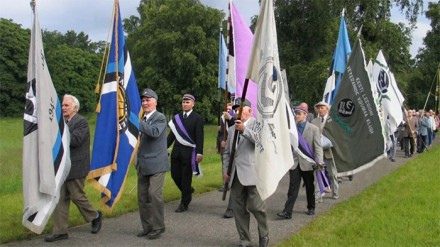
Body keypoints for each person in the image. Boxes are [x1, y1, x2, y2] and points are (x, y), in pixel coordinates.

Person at [45, 94, 102, 242]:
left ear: (75, 108)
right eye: (62, 105)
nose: (63, 108)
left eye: (66, 105)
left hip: (76, 166)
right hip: (61, 167)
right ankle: (60, 231)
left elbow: (75, 141)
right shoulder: (61, 122)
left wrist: (60, 130)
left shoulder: (80, 122)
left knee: (77, 196)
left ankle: (95, 216)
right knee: (60, 198)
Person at [223, 99, 269, 247]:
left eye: (242, 109)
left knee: (256, 207)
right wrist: (226, 171)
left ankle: (264, 234)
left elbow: (261, 143)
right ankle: (245, 240)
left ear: (251, 111)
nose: (238, 112)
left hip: (253, 173)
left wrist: (244, 130)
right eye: (236, 110)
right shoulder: (231, 130)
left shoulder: (258, 125)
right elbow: (228, 153)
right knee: (238, 209)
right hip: (235, 175)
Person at [277, 105, 323, 220]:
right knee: (292, 188)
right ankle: (287, 211)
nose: (296, 116)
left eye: (299, 114)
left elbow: (318, 147)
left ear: (305, 115)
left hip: (308, 163)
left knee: (309, 186)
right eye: (296, 114)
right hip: (295, 163)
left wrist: (320, 161)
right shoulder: (292, 130)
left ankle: (311, 207)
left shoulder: (313, 129)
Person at [136, 88, 169, 239]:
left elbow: (154, 132)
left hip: (157, 164)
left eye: (148, 100)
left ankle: (158, 227)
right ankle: (147, 227)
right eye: (143, 100)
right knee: (142, 197)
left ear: (155, 102)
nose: (145, 103)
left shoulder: (160, 118)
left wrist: (137, 122)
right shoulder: (142, 120)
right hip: (143, 164)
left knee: (154, 195)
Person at [167, 93, 204, 213]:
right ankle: (187, 190)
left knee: (186, 178)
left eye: (187, 102)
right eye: (183, 102)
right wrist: (163, 148)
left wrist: (199, 153)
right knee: (175, 175)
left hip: (189, 153)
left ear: (193, 104)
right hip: (176, 152)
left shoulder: (198, 118)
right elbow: (171, 136)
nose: (185, 104)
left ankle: (184, 203)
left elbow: (200, 137)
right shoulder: (176, 118)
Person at [311, 101, 340, 199]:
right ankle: (318, 195)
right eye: (318, 108)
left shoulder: (333, 120)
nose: (320, 109)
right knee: (317, 173)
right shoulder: (314, 121)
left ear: (327, 109)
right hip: (317, 151)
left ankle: (335, 192)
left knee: (332, 172)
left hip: (329, 151)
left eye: (322, 107)